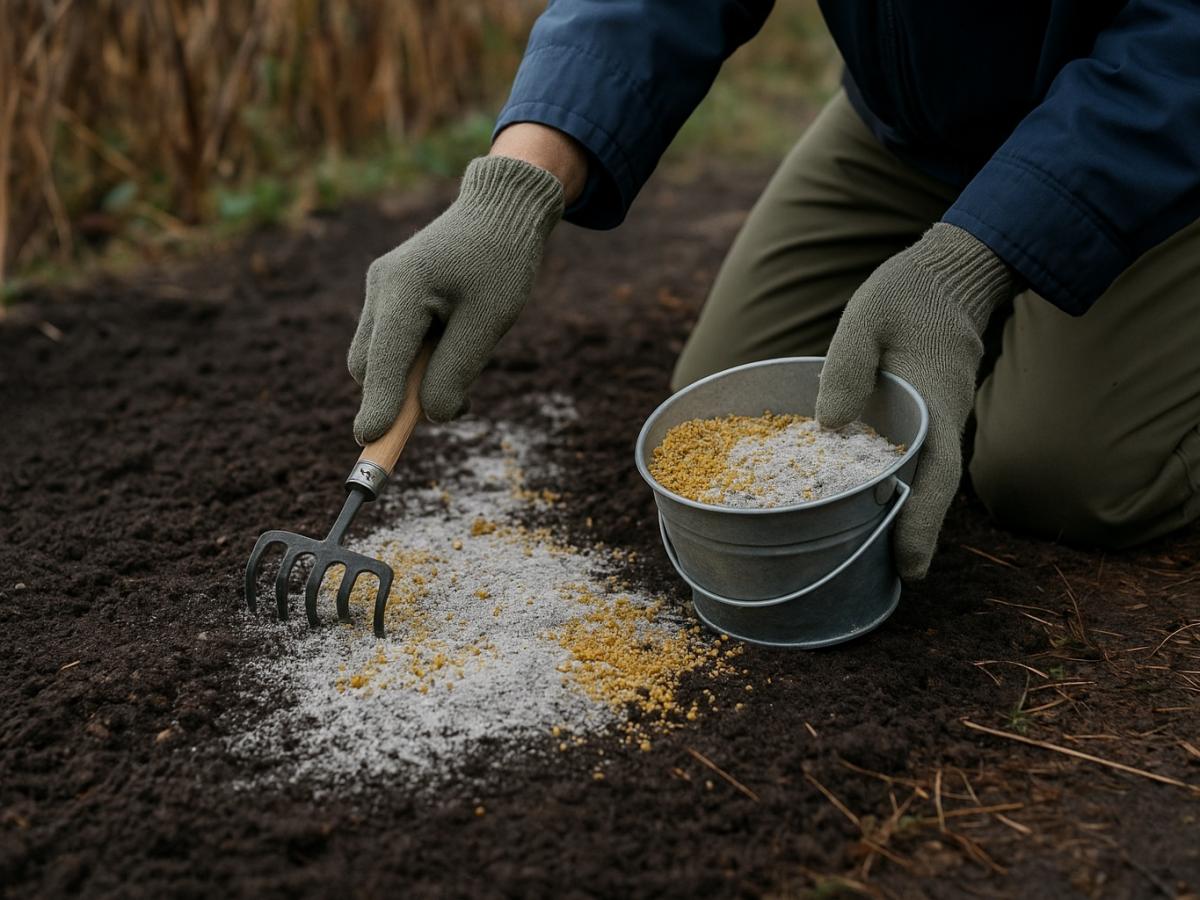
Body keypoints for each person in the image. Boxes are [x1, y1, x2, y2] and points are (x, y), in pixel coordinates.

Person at [348, 1, 1200, 580]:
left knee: (1064, 474)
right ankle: (1032, 289)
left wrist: (969, 269)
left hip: (1156, 126)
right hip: (918, 131)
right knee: (728, 415)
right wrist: (515, 188)